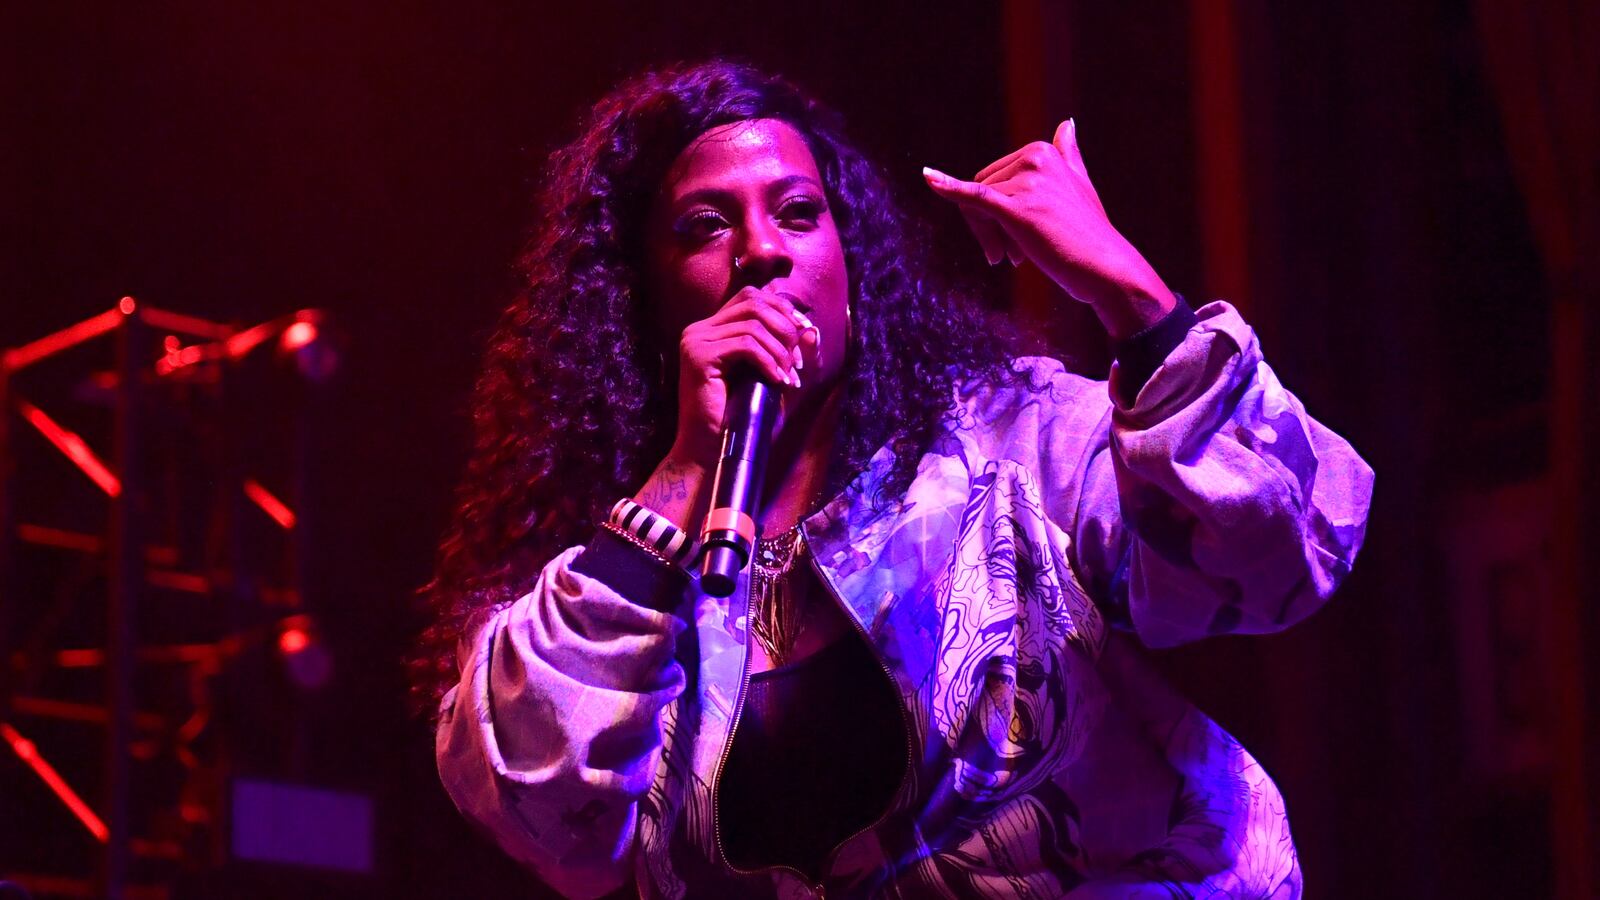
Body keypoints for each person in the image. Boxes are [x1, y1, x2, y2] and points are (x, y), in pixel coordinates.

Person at [419, 60, 1373, 899]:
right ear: (643, 292)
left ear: (847, 260)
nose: (762, 250)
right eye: (708, 226)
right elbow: (541, 816)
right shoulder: (603, 568)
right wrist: (680, 474)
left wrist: (1134, 297)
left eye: (799, 212)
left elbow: (1283, 549)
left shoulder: (1005, 442)